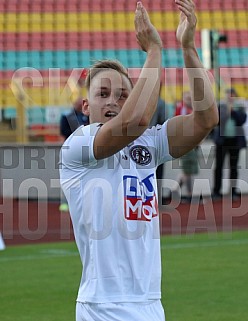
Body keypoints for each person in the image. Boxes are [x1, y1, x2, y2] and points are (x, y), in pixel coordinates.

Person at [60, 1, 218, 321]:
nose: (113, 101)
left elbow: (206, 118)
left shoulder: (148, 144)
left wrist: (187, 48)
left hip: (150, 303)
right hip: (102, 306)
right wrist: (154, 51)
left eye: (123, 95)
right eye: (103, 93)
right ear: (85, 105)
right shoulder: (78, 145)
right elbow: (136, 120)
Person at [212, 87, 247, 200]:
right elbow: (218, 121)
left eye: (232, 94)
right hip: (222, 141)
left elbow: (242, 119)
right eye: (228, 94)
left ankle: (232, 191)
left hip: (235, 141)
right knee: (219, 167)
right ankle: (216, 190)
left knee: (233, 167)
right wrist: (227, 111)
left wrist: (233, 111)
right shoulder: (221, 106)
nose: (230, 97)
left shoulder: (239, 107)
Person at [59, 97, 89, 211]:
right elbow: (63, 131)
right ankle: (65, 202)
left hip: (85, 149)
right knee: (68, 177)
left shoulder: (86, 116)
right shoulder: (67, 116)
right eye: (79, 103)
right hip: (71, 149)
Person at [173, 91, 199, 202]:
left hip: (190, 142)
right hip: (186, 142)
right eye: (187, 97)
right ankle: (188, 194)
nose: (189, 99)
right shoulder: (183, 109)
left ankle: (176, 190)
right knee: (188, 169)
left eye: (190, 97)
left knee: (189, 170)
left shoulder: (188, 108)